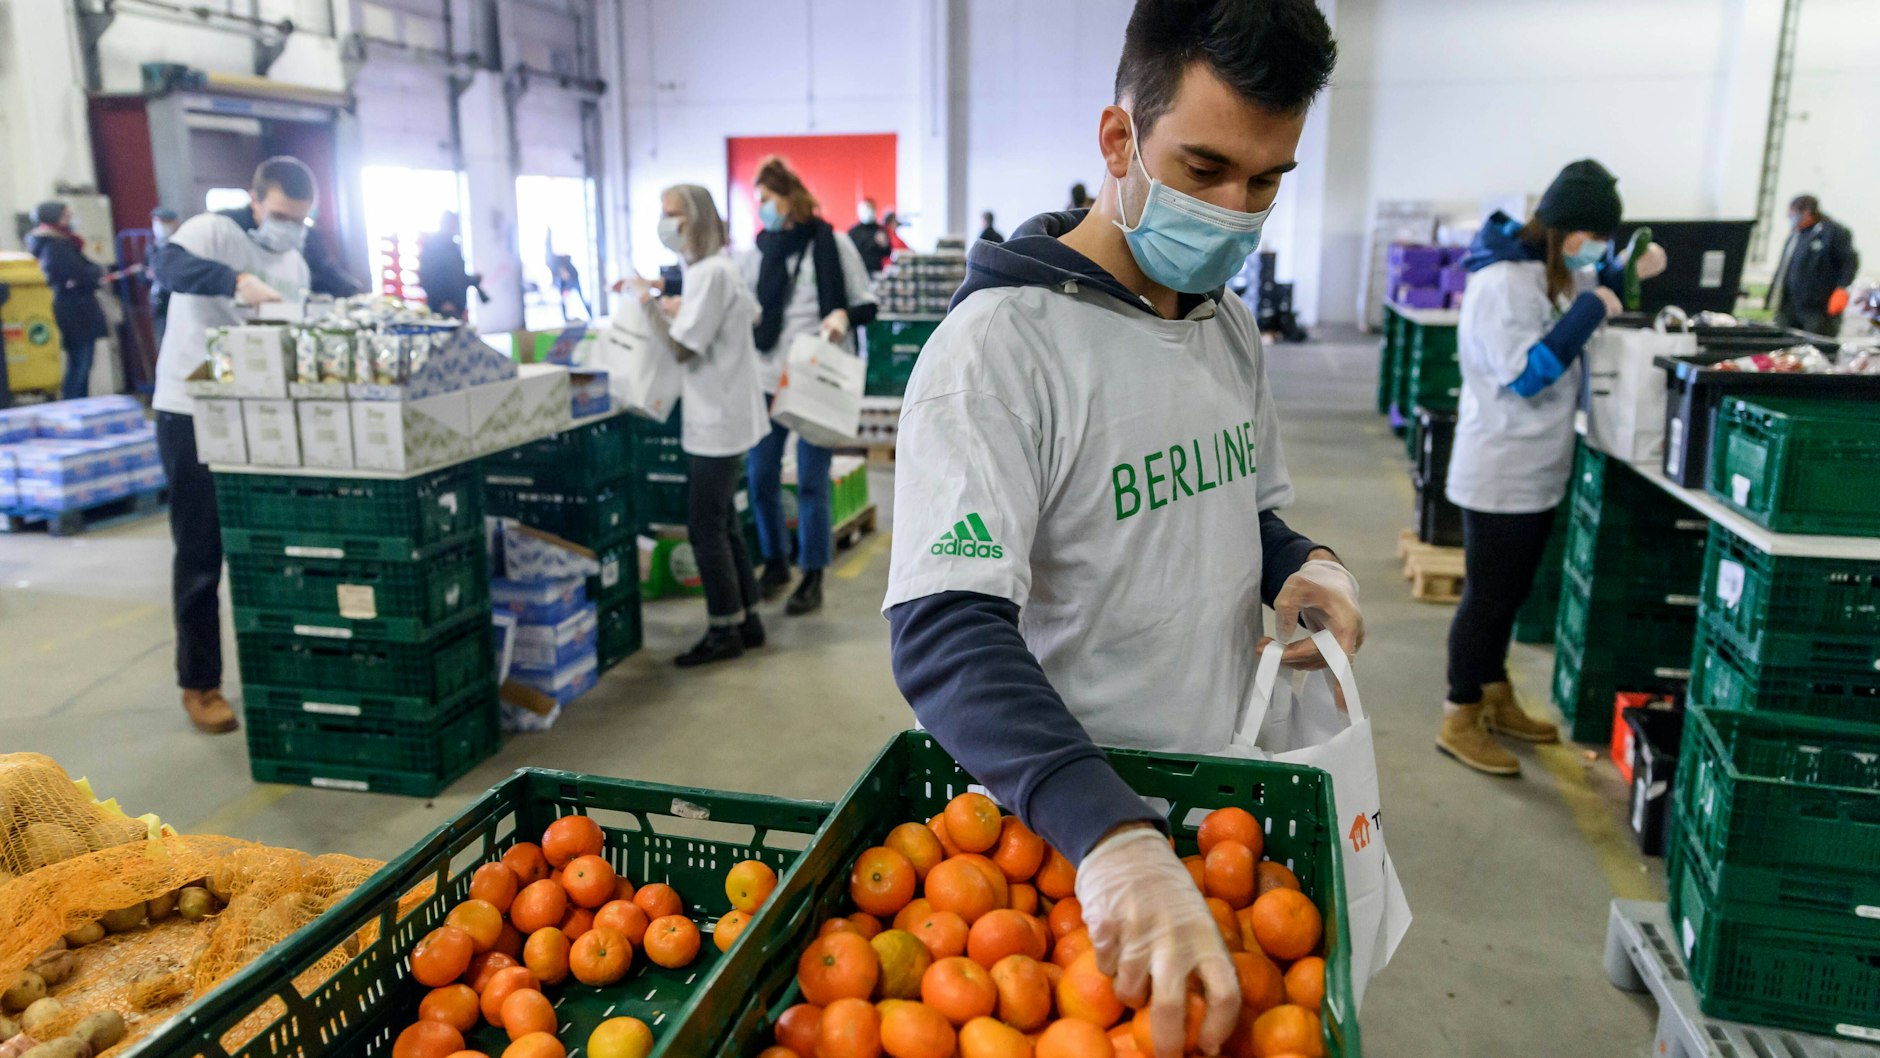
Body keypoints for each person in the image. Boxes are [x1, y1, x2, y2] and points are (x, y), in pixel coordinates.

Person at [883, 4, 1353, 1056]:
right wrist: (1107, 835)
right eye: (1203, 168)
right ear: (1118, 141)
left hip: (1214, 809)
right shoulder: (999, 352)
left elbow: (1243, 504)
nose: (1235, 212)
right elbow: (944, 631)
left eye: (1266, 180)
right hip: (1053, 839)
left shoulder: (1222, 321)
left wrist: (1303, 563)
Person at [1439, 160, 1667, 776]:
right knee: (1487, 598)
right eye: (1591, 236)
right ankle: (1459, 713)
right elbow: (1528, 373)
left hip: (1536, 465)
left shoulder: (1549, 271)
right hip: (1500, 467)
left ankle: (1494, 691)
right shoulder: (1502, 284)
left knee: (1511, 595)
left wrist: (1622, 272)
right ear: (1563, 227)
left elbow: (1586, 291)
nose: (1594, 250)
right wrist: (1596, 305)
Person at [150, 157, 319, 735]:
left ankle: (284, 674)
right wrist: (234, 280)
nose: (288, 228)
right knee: (200, 552)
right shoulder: (212, 234)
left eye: (299, 219)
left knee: (272, 548)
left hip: (261, 417)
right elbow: (165, 263)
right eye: (279, 215)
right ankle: (200, 684)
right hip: (191, 410)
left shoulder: (295, 260)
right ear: (254, 202)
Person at [620, 186, 772, 665]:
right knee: (724, 523)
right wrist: (671, 302)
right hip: (731, 413)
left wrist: (647, 303)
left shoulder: (710, 273)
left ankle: (723, 630)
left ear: (697, 219)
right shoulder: (718, 270)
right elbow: (747, 314)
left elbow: (685, 347)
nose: (667, 224)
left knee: (704, 528)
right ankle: (747, 620)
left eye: (674, 215)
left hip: (718, 419)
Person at [745, 156, 878, 616]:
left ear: (789, 196)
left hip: (816, 377)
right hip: (767, 377)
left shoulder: (832, 242)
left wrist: (844, 315)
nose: (761, 209)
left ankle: (813, 573)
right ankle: (776, 561)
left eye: (767, 199)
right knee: (760, 476)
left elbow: (867, 304)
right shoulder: (760, 251)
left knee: (810, 482)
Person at [27, 201, 108, 401]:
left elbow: (90, 270)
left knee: (85, 362)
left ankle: (81, 401)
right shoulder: (53, 245)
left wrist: (90, 273)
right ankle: (74, 404)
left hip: (80, 307)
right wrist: (90, 275)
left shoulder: (65, 242)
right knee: (79, 363)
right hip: (73, 311)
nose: (70, 219)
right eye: (65, 215)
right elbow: (79, 273)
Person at [1767, 194, 1860, 338]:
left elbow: (1849, 262)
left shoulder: (1833, 233)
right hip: (1790, 305)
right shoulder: (1796, 235)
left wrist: (1842, 288)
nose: (1791, 220)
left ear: (1807, 213)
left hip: (1818, 308)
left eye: (1794, 215)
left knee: (1816, 345)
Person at [419, 211, 482, 319]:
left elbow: (456, 276)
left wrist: (472, 280)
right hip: (443, 308)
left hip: (457, 306)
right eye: (454, 224)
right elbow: (428, 277)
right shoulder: (433, 246)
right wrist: (442, 301)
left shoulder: (453, 247)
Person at [149, 206, 180, 345]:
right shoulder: (152, 248)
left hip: (176, 301)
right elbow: (145, 271)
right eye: (156, 222)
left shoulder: (181, 246)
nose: (159, 226)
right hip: (159, 305)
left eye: (164, 222)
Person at [847, 198, 892, 275]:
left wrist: (884, 245)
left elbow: (888, 252)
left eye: (871, 208)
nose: (869, 211)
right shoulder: (854, 231)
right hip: (858, 271)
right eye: (867, 208)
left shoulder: (880, 230)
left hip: (876, 271)